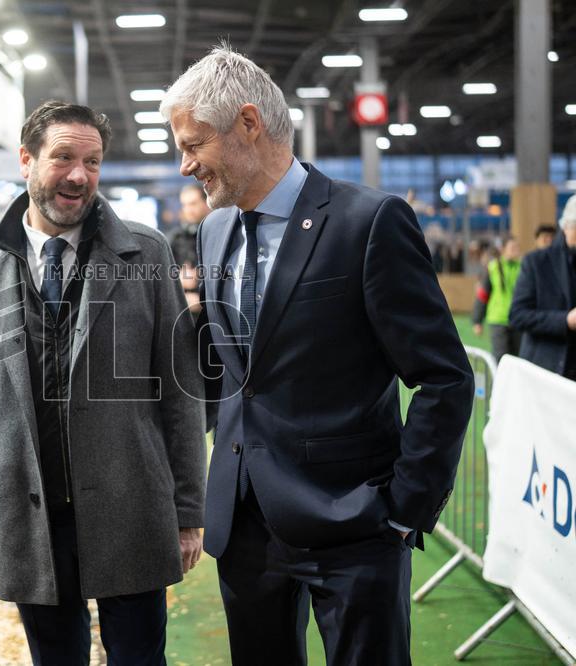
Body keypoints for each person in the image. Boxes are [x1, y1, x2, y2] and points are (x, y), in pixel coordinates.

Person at [161, 46, 474, 664]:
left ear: (248, 124)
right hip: (246, 526)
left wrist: (403, 510)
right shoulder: (215, 228)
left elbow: (444, 378)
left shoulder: (370, 221)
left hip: (353, 526)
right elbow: (236, 374)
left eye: (193, 144)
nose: (184, 165)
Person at [0, 100, 206, 665]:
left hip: (132, 505)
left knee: (139, 657)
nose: (78, 175)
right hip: (28, 512)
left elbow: (181, 392)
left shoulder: (146, 253)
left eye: (92, 161)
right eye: (62, 157)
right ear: (26, 160)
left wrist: (188, 513)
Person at [509, 195, 576, 381]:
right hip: (546, 374)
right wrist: (565, 320)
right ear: (566, 226)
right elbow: (518, 316)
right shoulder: (536, 262)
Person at [472, 236, 522, 361]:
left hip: (517, 320)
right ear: (503, 249)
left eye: (517, 247)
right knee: (501, 358)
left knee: (518, 360)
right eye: (512, 248)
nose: (515, 250)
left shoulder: (523, 267)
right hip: (498, 320)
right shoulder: (492, 267)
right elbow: (483, 295)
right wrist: (477, 321)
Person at [169, 183, 211, 316]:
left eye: (193, 204)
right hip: (184, 312)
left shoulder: (219, 235)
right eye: (184, 205)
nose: (188, 209)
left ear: (206, 203)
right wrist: (177, 280)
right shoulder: (175, 238)